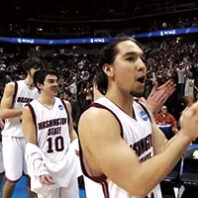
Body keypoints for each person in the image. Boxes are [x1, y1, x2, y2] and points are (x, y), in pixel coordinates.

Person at [78, 36, 198, 198]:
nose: (142, 65)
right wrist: (185, 135)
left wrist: (190, 127)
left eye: (142, 59)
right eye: (130, 58)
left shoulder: (141, 108)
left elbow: (163, 151)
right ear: (108, 69)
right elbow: (137, 184)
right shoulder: (97, 118)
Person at [22, 69, 80, 198]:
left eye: (56, 81)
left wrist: (77, 145)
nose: (55, 84)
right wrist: (39, 169)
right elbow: (31, 144)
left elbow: (70, 131)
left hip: (66, 163)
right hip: (46, 164)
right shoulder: (30, 109)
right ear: (40, 85)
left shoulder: (66, 105)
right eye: (50, 81)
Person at [0, 57, 45, 198]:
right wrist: (26, 110)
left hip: (30, 138)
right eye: (35, 68)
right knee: (12, 179)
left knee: (33, 178)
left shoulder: (40, 92)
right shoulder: (14, 86)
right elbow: (3, 112)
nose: (38, 71)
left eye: (40, 68)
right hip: (12, 136)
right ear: (28, 70)